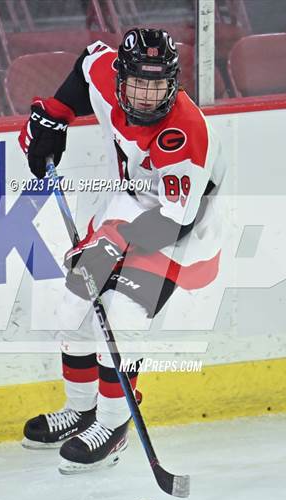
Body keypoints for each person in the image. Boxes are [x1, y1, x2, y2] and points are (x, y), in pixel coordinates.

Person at [18, 28, 226, 474]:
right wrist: (54, 116)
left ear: (173, 83)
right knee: (74, 305)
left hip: (182, 219)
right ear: (120, 77)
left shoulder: (185, 133)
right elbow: (86, 62)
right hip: (131, 199)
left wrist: (111, 244)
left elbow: (177, 219)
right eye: (138, 83)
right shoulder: (104, 71)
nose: (148, 96)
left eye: (158, 85)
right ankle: (82, 411)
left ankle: (113, 427)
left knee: (122, 318)